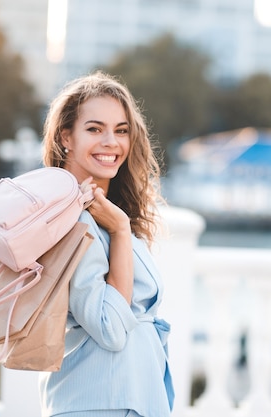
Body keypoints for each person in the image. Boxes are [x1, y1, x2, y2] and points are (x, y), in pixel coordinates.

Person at [39, 71, 174, 417]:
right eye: (95, 129)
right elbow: (111, 328)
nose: (111, 142)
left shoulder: (104, 213)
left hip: (124, 395)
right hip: (100, 400)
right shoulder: (75, 217)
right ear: (66, 136)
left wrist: (119, 225)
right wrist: (120, 229)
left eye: (121, 130)